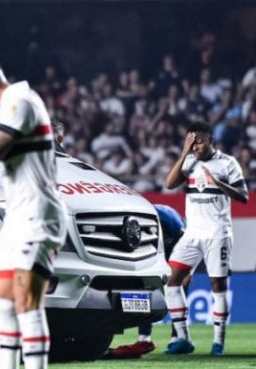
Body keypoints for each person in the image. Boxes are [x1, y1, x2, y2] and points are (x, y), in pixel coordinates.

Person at [0, 53, 66, 369]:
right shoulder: (14, 104)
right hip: (19, 219)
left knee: (27, 304)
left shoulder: (20, 102)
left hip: (38, 218)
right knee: (1, 304)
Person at [163, 122, 249, 356]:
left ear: (211, 140)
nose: (195, 146)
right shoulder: (189, 161)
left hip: (217, 232)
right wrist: (184, 152)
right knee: (171, 281)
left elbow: (243, 196)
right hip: (192, 233)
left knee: (217, 286)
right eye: (191, 142)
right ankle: (183, 339)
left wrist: (219, 184)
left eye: (199, 141)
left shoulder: (227, 163)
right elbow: (169, 184)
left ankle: (218, 343)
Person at [105, 204, 188, 359]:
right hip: (149, 244)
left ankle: (177, 336)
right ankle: (144, 337)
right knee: (145, 285)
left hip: (176, 242)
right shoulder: (133, 225)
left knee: (178, 286)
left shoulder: (174, 227)